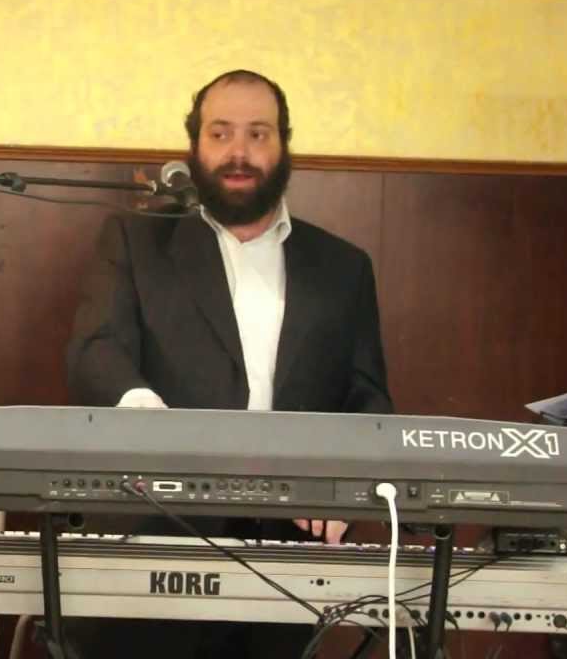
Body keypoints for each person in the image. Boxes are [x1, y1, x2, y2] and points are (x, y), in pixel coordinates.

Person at [65, 69, 392, 657]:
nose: (238, 152)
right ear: (194, 145)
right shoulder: (137, 241)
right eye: (220, 134)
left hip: (288, 564)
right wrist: (147, 420)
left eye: (258, 134)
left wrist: (347, 494)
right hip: (153, 547)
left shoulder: (344, 267)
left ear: (284, 145)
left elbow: (368, 399)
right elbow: (96, 350)